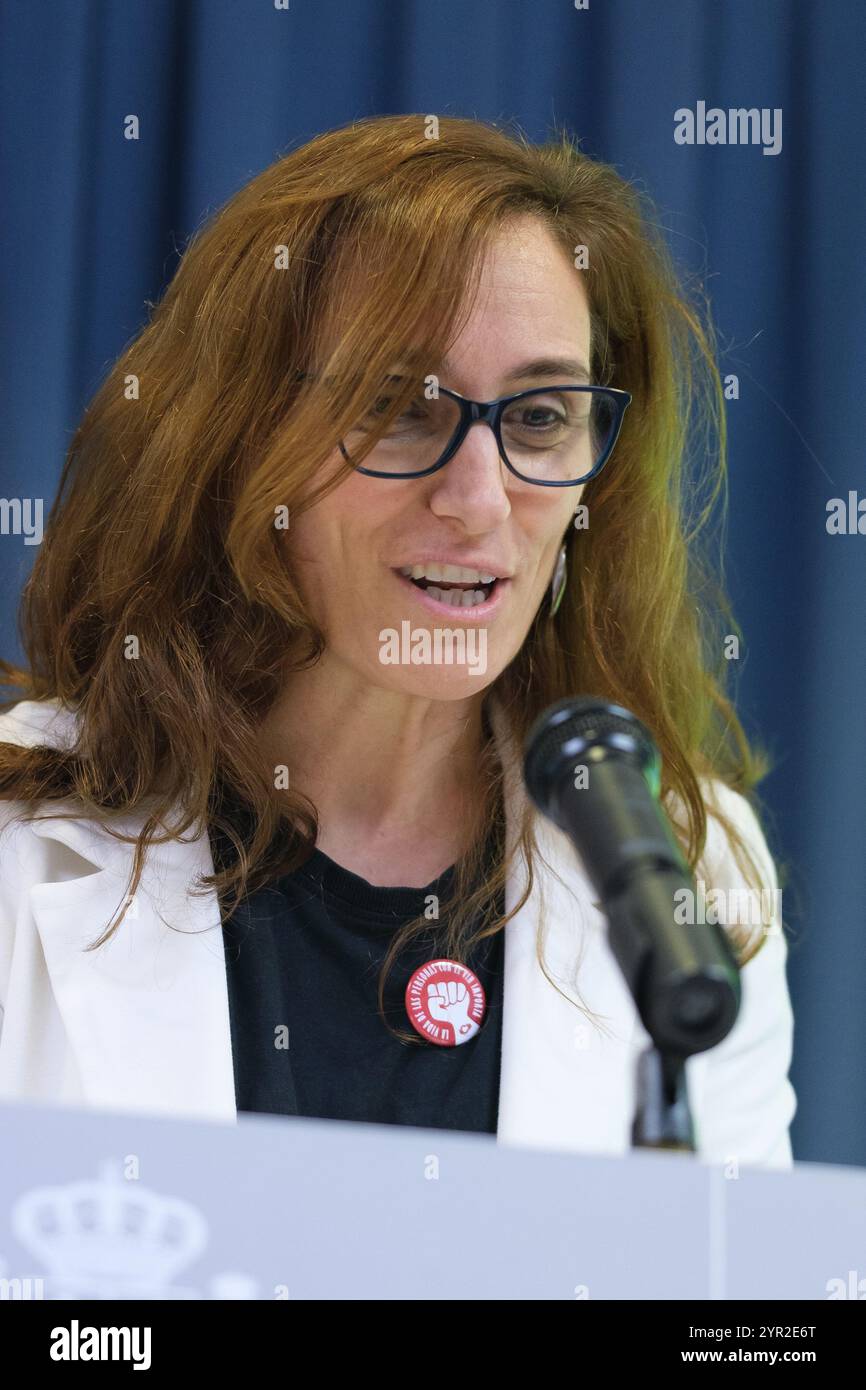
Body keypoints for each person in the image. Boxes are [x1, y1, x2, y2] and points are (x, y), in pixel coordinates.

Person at [0, 113, 795, 1165]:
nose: (478, 499)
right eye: (399, 406)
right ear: (237, 441)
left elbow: (738, 1322)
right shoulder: (23, 842)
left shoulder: (685, 869)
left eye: (542, 415)